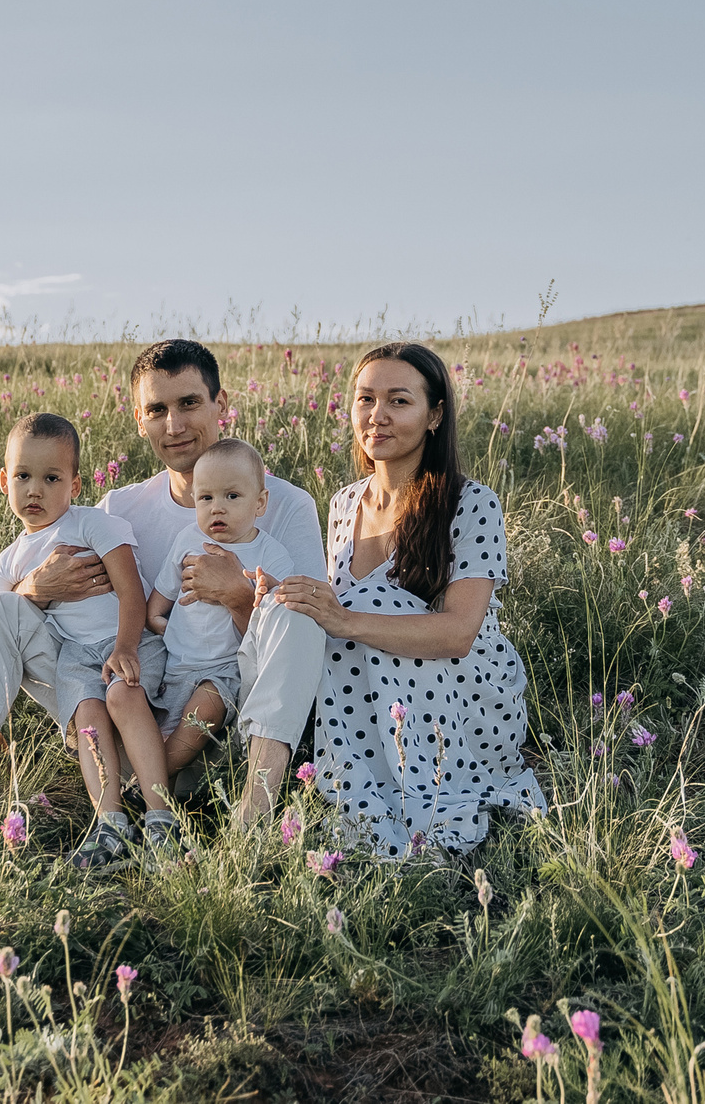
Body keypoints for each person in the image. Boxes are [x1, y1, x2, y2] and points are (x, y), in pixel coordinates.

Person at [269, 341, 545, 858]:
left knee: (379, 604)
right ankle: (347, 784)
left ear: (434, 415)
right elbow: (336, 616)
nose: (377, 415)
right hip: (371, 696)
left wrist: (344, 619)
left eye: (398, 401)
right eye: (365, 399)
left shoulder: (472, 503)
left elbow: (458, 634)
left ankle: (424, 798)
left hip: (467, 699)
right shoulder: (344, 503)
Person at [0, 414, 157, 857]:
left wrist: (124, 646)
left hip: (127, 654)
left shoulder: (92, 524)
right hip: (74, 662)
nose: (35, 490)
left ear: (75, 485)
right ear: (4, 481)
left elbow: (132, 593)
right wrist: (35, 589)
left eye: (51, 478)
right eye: (23, 476)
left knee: (116, 691)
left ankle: (149, 801)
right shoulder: (9, 560)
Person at [102, 339, 326, 828]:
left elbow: (307, 634)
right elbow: (144, 607)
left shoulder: (285, 505)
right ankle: (107, 775)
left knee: (298, 610)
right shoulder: (117, 509)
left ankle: (244, 806)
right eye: (156, 410)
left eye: (189, 403)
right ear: (139, 419)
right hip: (149, 694)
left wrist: (238, 596)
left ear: (220, 403)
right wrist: (36, 587)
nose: (174, 425)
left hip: (241, 722)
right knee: (6, 611)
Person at [105, 436, 260, 838]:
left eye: (231, 497)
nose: (217, 508)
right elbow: (158, 603)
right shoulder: (186, 541)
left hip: (223, 669)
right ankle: (156, 807)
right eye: (206, 498)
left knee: (205, 710)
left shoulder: (267, 553)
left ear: (259, 503)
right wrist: (161, 624)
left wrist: (240, 594)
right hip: (175, 662)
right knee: (136, 700)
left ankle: (145, 789)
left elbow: (267, 627)